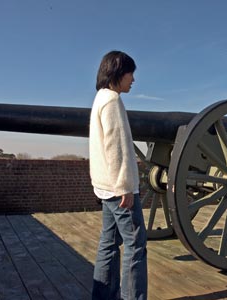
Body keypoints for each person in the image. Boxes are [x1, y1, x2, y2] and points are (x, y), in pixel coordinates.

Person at [89, 50, 147, 300]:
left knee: (109, 245)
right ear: (118, 72)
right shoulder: (112, 100)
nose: (133, 79)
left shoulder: (100, 98)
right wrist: (125, 186)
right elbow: (116, 146)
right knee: (135, 247)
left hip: (104, 186)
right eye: (130, 73)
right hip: (118, 189)